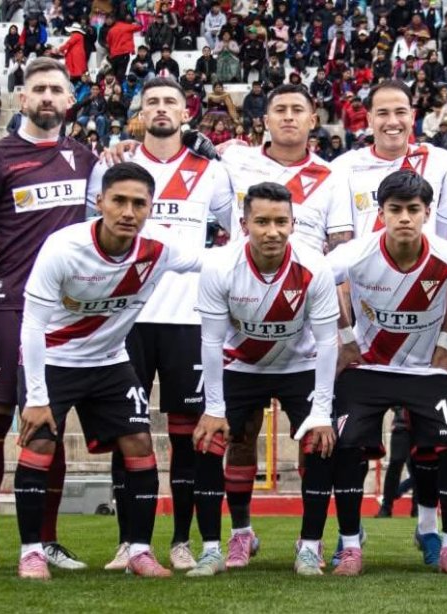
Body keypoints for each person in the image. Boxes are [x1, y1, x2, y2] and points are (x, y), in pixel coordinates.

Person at [16, 162, 202, 580]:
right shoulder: (63, 248)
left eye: (139, 203)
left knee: (139, 442)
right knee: (41, 444)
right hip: (54, 360)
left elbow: (215, 263)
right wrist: (35, 396)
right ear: (99, 202)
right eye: (118, 200)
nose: (128, 212)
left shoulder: (160, 248)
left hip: (109, 362)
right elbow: (31, 324)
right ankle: (31, 551)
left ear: (151, 208)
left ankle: (138, 550)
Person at [0, 58, 99, 573]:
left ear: (70, 99)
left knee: (48, 423)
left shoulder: (86, 160)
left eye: (57, 89)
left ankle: (47, 540)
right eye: (38, 89)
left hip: (66, 312)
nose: (47, 97)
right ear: (21, 99)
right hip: (9, 304)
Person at [101, 77, 235, 575]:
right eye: (152, 101)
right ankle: (129, 542)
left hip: (188, 320)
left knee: (188, 438)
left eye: (170, 102)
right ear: (140, 112)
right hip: (125, 320)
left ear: (186, 111)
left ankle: (181, 540)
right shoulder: (114, 166)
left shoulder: (211, 171)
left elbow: (235, 232)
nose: (161, 109)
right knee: (127, 431)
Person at [217, 83, 353, 569]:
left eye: (299, 109)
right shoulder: (232, 162)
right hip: (245, 323)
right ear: (265, 119)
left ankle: (310, 544)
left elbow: (340, 249)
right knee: (238, 436)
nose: (289, 116)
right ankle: (241, 533)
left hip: (304, 321)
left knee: (317, 435)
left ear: (314, 119)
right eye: (280, 109)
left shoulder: (334, 176)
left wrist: (343, 328)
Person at [327, 169, 447, 576]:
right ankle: (352, 543)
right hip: (367, 366)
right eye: (395, 210)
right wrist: (345, 336)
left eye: (413, 209)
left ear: (428, 212)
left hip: (427, 371)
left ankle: (445, 545)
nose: (404, 218)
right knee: (348, 447)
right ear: (381, 213)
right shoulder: (353, 254)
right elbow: (321, 284)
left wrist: (445, 342)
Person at [196, 181, 340, 576]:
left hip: (300, 365)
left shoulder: (315, 267)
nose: (272, 231)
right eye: (262, 221)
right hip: (241, 365)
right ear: (244, 224)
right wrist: (212, 409)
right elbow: (210, 340)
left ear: (293, 224)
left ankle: (309, 544)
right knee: (217, 441)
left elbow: (328, 343)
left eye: (280, 221)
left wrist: (323, 412)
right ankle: (224, 542)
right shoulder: (220, 266)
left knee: (319, 443)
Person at [330, 80, 447, 240]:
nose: (393, 121)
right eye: (383, 113)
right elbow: (340, 244)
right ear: (370, 119)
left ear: (412, 117)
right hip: (363, 264)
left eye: (400, 112)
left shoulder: (442, 161)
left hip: (425, 264)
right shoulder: (343, 166)